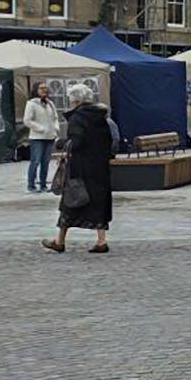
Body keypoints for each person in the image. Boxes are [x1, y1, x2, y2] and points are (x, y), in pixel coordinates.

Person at [46, 83, 113, 253]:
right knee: (98, 202)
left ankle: (59, 241)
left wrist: (61, 143)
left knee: (71, 202)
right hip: (99, 166)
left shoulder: (78, 117)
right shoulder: (101, 117)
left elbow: (76, 142)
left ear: (75, 100)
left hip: (81, 167)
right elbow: (109, 141)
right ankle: (101, 241)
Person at [22, 82, 61, 194]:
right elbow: (27, 120)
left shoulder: (50, 103)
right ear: (36, 90)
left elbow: (55, 117)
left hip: (50, 137)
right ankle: (31, 185)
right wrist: (40, 128)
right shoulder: (31, 104)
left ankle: (43, 185)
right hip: (37, 137)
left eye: (45, 88)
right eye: (41, 88)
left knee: (46, 162)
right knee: (35, 161)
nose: (44, 90)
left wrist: (55, 128)